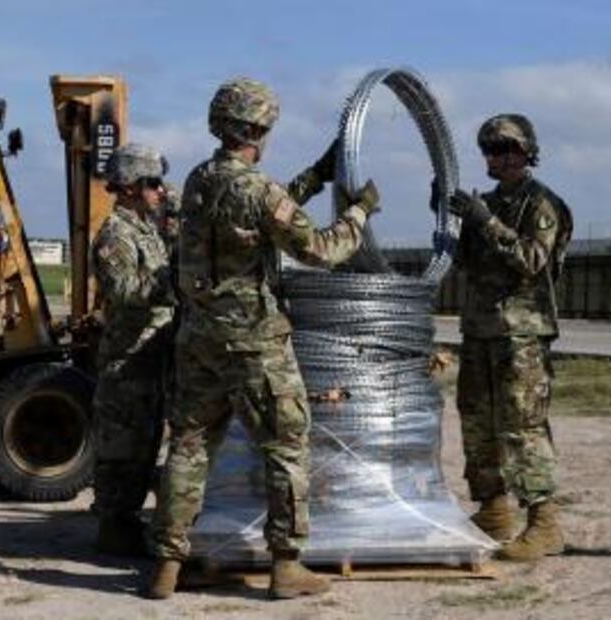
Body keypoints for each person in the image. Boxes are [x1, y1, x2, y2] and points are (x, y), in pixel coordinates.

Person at [147, 77, 381, 600]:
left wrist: (317, 177)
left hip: (198, 339)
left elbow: (253, 215)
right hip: (254, 342)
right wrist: (359, 213)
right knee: (286, 447)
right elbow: (319, 248)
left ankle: (166, 564)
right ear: (257, 128)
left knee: (188, 448)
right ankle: (286, 566)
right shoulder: (258, 190)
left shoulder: (198, 181)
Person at [449, 114, 573, 561]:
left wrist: (486, 222)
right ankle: (494, 508)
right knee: (477, 422)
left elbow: (532, 259)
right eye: (489, 149)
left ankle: (544, 522)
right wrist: (455, 220)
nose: (495, 157)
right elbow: (465, 263)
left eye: (504, 149)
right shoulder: (489, 204)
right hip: (480, 328)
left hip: (522, 333)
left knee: (523, 427)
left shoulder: (542, 205)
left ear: (526, 152)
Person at [90, 143, 177, 556]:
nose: (160, 191)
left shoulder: (146, 228)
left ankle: (126, 521)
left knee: (145, 445)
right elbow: (123, 290)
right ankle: (114, 526)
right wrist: (173, 283)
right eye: (152, 184)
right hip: (128, 360)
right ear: (127, 188)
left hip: (150, 354)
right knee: (121, 449)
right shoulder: (115, 233)